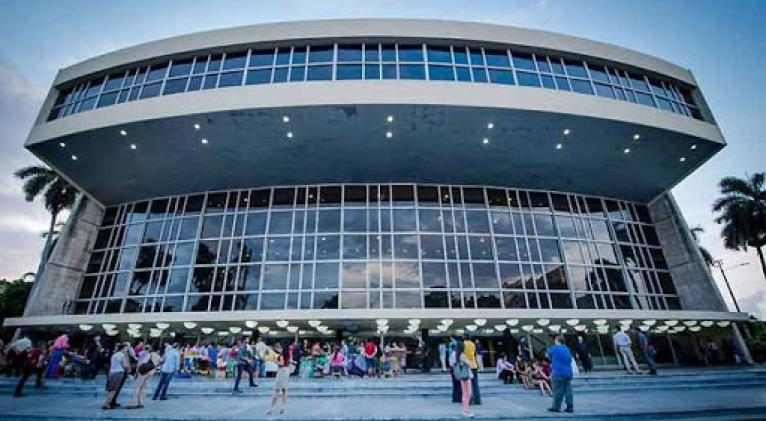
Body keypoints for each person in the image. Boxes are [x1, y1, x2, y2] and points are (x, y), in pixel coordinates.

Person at [546, 336, 574, 413]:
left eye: (555, 340)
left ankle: (556, 407)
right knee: (568, 389)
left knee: (557, 390)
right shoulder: (567, 349)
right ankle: (570, 406)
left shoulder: (555, 348)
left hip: (558, 372)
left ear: (557, 341)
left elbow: (547, 355)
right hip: (568, 372)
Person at [450, 339, 474, 418]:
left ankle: (465, 410)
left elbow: (451, 363)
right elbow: (470, 364)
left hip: (460, 375)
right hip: (466, 375)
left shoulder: (453, 354)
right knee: (468, 393)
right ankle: (466, 411)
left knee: (464, 393)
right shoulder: (462, 355)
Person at [267, 341, 292, 415]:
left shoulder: (281, 355)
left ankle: (271, 408)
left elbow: (281, 363)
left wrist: (275, 361)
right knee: (284, 390)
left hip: (281, 372)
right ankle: (283, 408)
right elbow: (288, 362)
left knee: (276, 390)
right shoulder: (288, 354)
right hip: (286, 371)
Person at [103, 342, 130, 410]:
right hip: (118, 373)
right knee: (114, 390)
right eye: (126, 348)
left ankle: (110, 402)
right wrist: (128, 367)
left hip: (112, 373)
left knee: (111, 389)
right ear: (123, 348)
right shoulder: (122, 355)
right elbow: (124, 365)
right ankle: (106, 403)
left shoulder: (115, 355)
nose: (127, 349)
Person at [463, 336, 481, 405]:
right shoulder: (473, 344)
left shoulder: (463, 344)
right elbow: (474, 354)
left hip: (467, 366)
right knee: (475, 384)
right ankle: (477, 400)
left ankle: (469, 400)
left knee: (467, 385)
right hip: (474, 365)